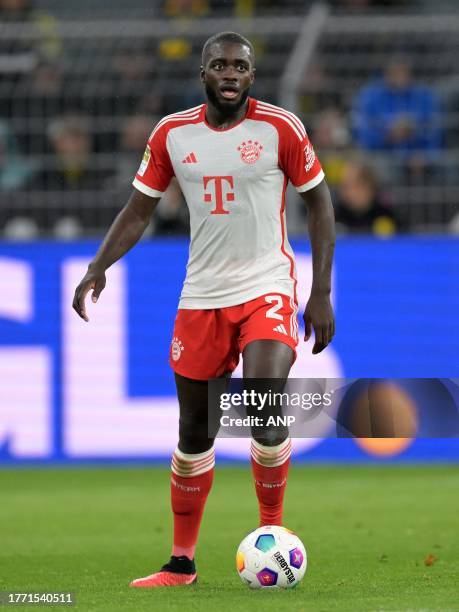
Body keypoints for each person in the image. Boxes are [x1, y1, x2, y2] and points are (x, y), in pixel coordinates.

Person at [72, 32, 335, 588]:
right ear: (204, 74)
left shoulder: (281, 128)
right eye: (220, 64)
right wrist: (98, 265)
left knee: (264, 406)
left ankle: (273, 536)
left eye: (240, 65)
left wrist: (320, 291)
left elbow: (319, 202)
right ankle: (182, 563)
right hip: (202, 295)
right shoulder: (172, 133)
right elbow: (138, 210)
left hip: (267, 285)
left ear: (252, 76)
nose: (231, 73)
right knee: (196, 430)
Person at [334, 160, 398, 235]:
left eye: (349, 186)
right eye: (342, 186)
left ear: (367, 187)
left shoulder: (386, 215)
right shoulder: (335, 217)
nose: (343, 191)